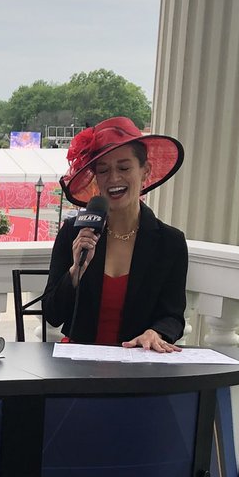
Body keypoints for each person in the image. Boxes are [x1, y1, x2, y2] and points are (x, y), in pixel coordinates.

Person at [42, 117, 187, 351]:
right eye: (103, 170)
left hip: (137, 362)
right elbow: (52, 314)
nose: (114, 178)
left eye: (124, 168)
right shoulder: (73, 232)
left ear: (145, 171)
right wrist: (75, 272)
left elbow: (173, 316)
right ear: (96, 178)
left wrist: (155, 333)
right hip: (78, 361)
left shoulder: (170, 242)